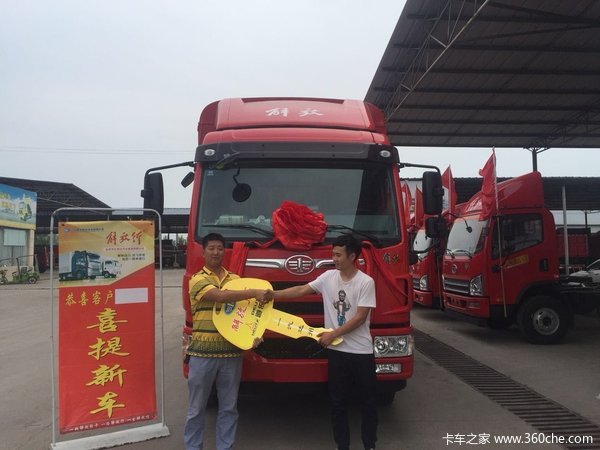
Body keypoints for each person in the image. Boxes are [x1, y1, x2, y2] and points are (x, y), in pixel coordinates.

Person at [273, 234, 378, 450]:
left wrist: (333, 334)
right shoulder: (328, 277)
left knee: (368, 402)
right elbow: (301, 290)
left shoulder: (366, 282)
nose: (334, 259)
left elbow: (360, 318)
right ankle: (342, 445)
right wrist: (272, 295)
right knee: (338, 402)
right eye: (333, 254)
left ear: (352, 256)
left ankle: (369, 444)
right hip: (337, 352)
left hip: (361, 353)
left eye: (338, 255)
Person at [184, 233, 272, 450]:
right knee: (196, 408)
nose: (216, 252)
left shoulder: (236, 280)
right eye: (211, 248)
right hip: (202, 355)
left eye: (220, 248)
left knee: (229, 408)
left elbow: (247, 313)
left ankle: (226, 446)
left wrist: (253, 334)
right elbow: (220, 296)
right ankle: (193, 447)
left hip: (231, 354)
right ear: (203, 252)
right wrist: (254, 292)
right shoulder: (197, 279)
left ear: (225, 252)